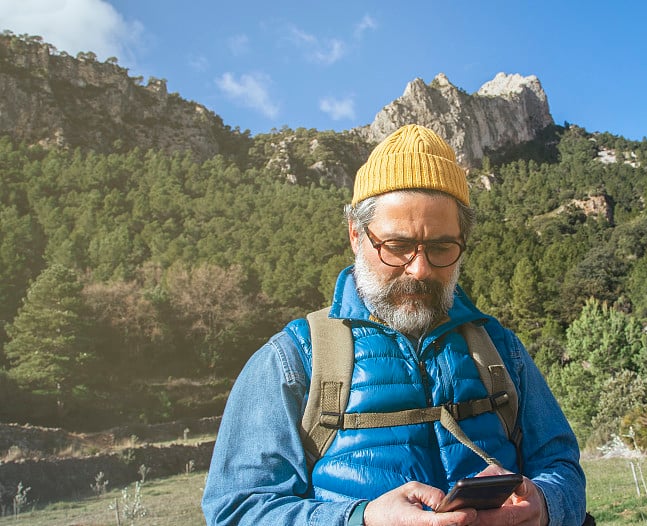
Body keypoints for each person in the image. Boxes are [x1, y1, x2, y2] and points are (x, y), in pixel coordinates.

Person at [202, 124, 587, 525]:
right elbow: (236, 509)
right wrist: (361, 519)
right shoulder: (292, 359)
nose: (419, 270)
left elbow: (560, 465)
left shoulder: (501, 348)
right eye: (397, 246)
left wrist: (545, 504)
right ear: (355, 235)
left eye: (441, 247)